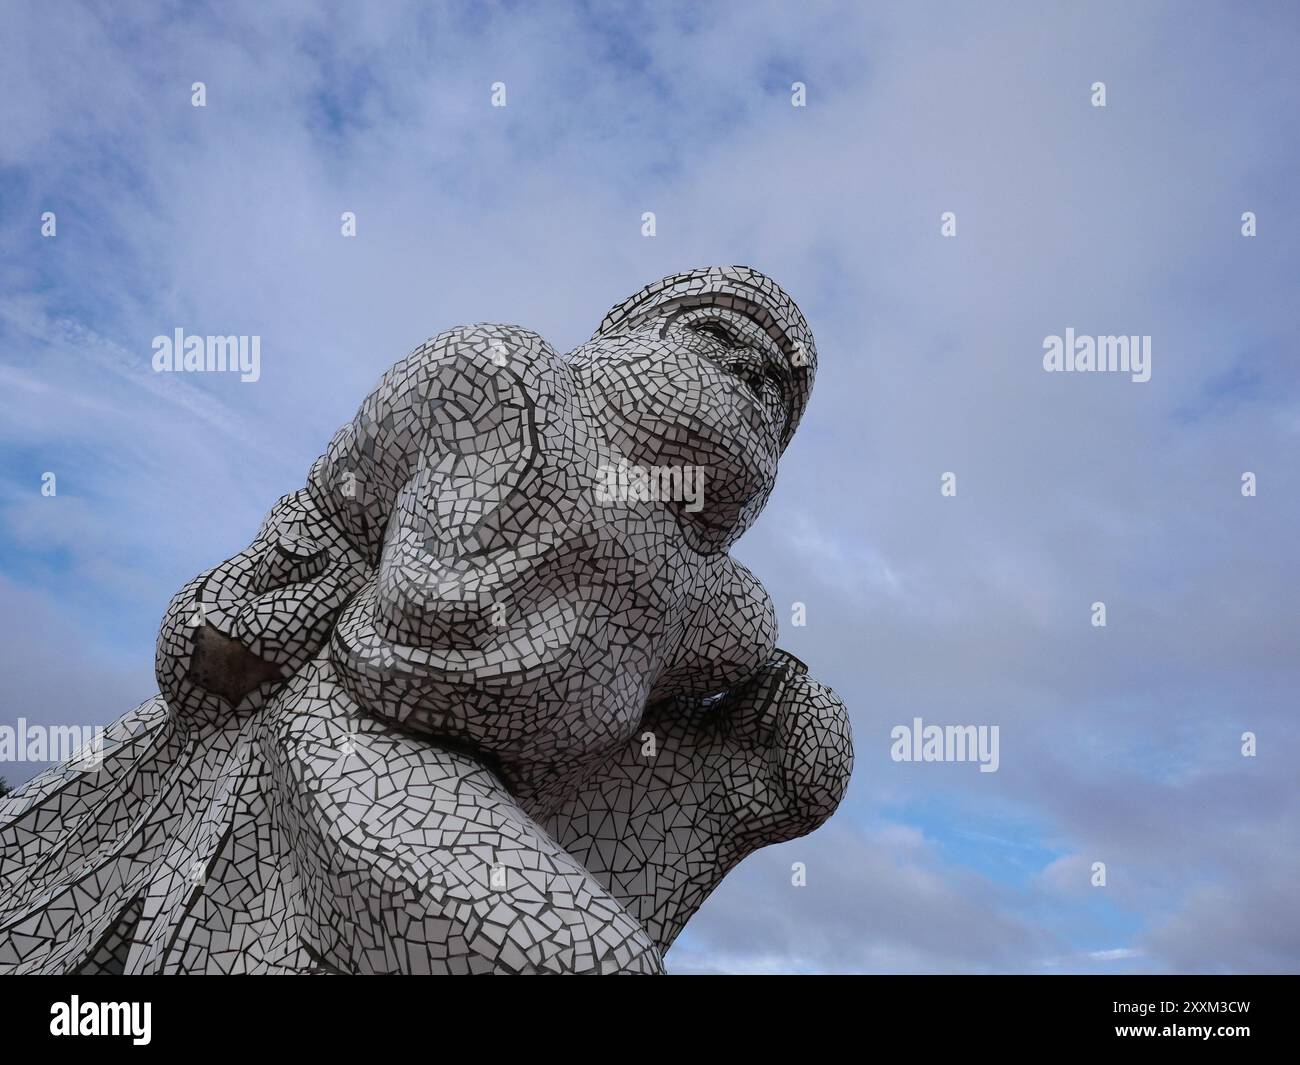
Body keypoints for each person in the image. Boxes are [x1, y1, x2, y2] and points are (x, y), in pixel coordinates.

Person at [0, 266, 852, 973]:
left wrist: (795, 743)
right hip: (351, 733)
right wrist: (243, 620)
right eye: (717, 335)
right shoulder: (503, 380)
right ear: (635, 331)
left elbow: (679, 739)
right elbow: (340, 510)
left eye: (776, 384)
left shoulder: (725, 611)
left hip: (515, 787)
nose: (750, 373)